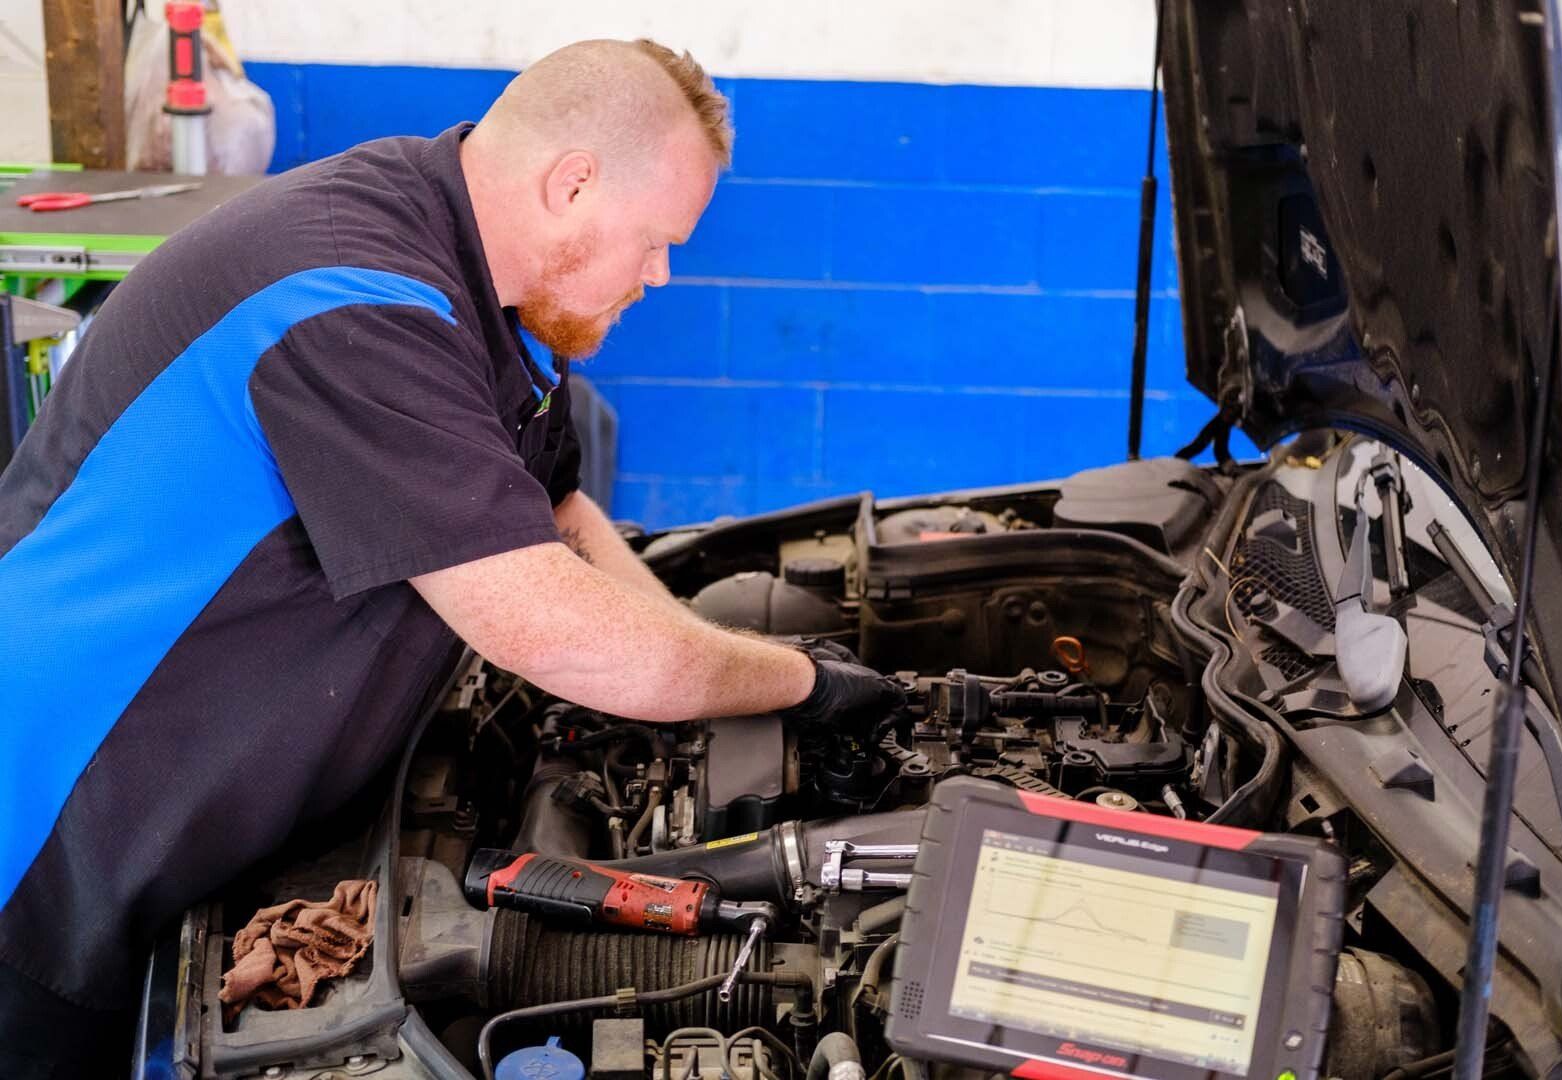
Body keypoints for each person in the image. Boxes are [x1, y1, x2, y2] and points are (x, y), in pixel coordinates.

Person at [0, 38, 899, 1076]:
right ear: (572, 183)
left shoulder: (459, 272)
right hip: (53, 854)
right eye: (657, 242)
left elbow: (563, 518)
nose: (661, 275)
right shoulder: (352, 300)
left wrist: (709, 669)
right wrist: (799, 683)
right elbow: (555, 630)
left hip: (181, 839)